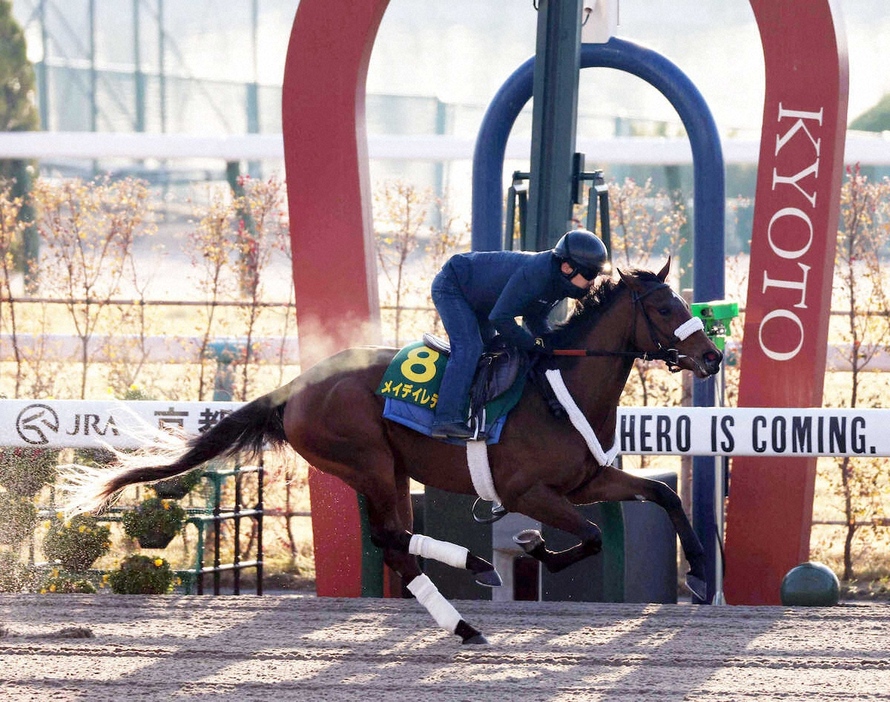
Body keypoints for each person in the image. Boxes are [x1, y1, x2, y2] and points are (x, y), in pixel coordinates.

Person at [430, 228, 609, 439]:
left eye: (596, 274)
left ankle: (476, 413)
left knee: (491, 353)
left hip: (481, 299)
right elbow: (500, 318)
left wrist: (550, 345)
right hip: (453, 286)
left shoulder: (560, 282)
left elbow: (535, 317)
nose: (593, 281)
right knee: (470, 348)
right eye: (589, 273)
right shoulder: (537, 275)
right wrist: (532, 344)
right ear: (567, 267)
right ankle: (446, 420)